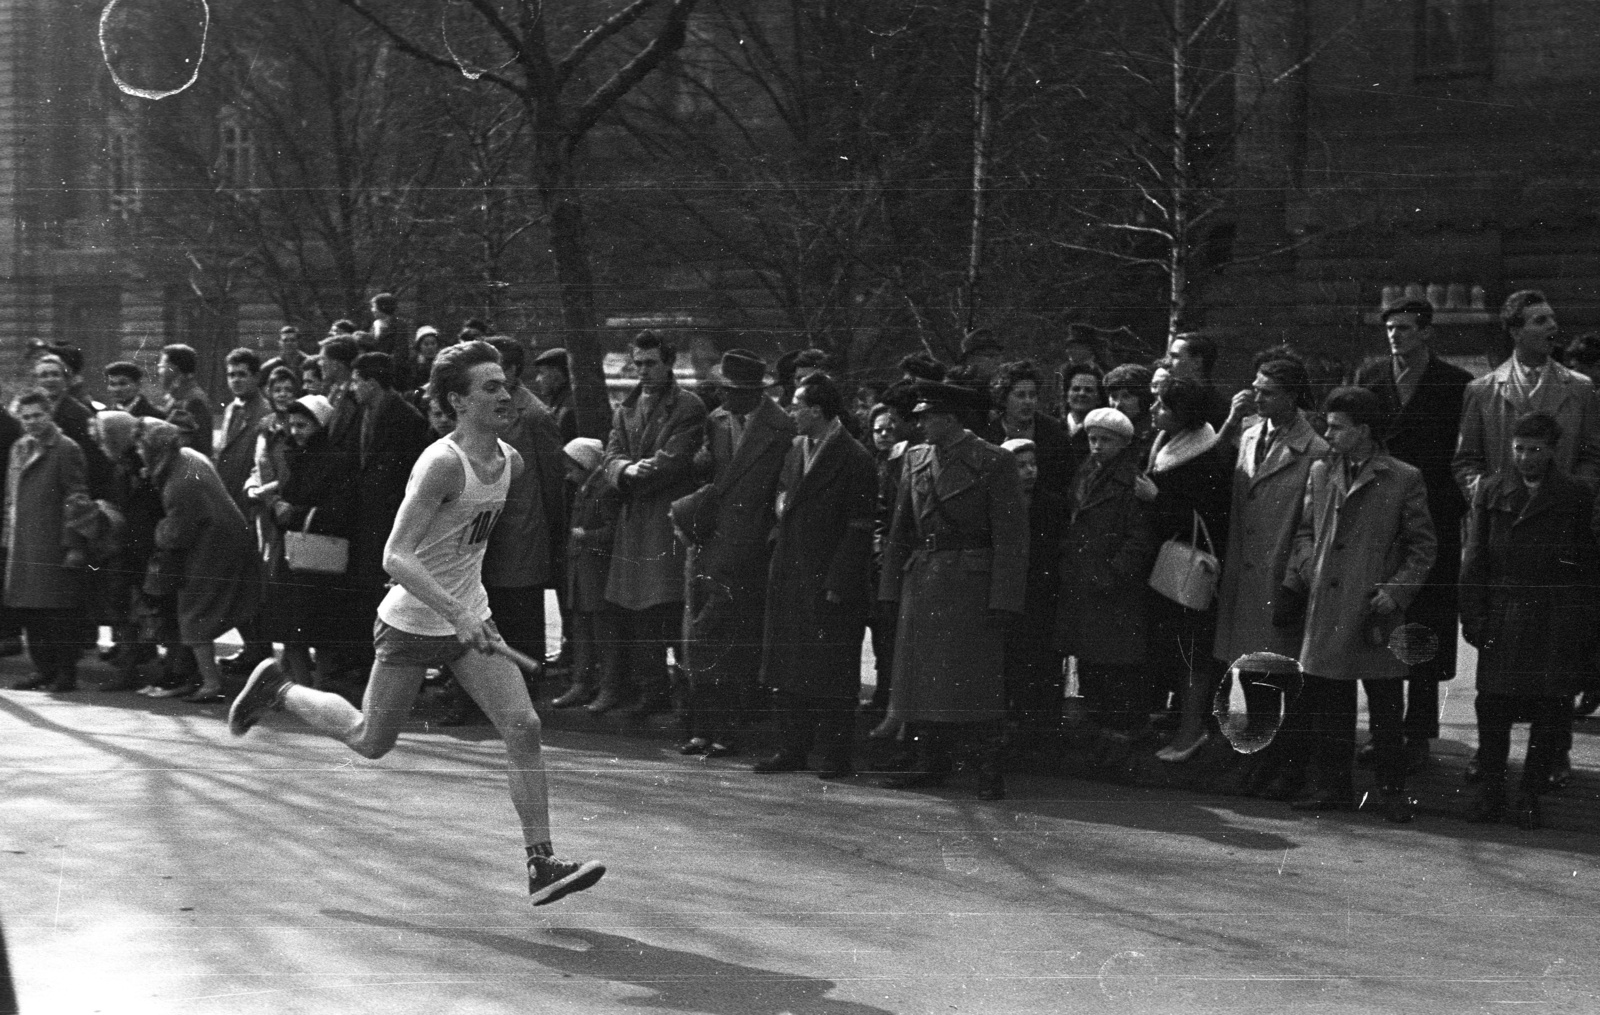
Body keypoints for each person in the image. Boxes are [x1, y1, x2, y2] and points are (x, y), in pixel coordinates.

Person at [230, 339, 606, 907]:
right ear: (458, 401)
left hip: (467, 619)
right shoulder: (440, 464)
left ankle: (541, 862)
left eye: (506, 384)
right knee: (370, 740)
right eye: (490, 387)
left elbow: (464, 549)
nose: (506, 395)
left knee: (523, 726)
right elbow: (396, 556)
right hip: (410, 623)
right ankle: (279, 689)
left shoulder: (511, 460)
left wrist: (473, 610)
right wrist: (456, 611)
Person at [1277, 386, 1436, 823]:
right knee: (1332, 702)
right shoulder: (1321, 471)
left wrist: (1396, 592)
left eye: (1337, 427)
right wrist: (1309, 568)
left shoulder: (1403, 477)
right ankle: (1333, 788)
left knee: (1385, 705)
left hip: (1374, 610)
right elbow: (1306, 531)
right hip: (1327, 605)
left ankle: (1391, 791)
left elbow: (1423, 547)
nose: (1328, 434)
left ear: (1364, 430)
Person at [878, 381, 1027, 800]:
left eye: (927, 416)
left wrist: (1004, 599)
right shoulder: (916, 458)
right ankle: (929, 761)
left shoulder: (993, 460)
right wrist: (889, 588)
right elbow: (900, 530)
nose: (920, 424)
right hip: (924, 578)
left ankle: (988, 768)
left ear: (950, 418)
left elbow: (1012, 537)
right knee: (924, 677)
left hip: (970, 583)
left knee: (974, 680)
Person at [1459, 412, 1599, 830]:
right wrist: (1474, 617)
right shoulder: (1491, 490)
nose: (1525, 458)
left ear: (1552, 450)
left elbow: (1586, 564)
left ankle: (1529, 796)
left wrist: (1582, 625)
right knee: (1493, 706)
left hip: (1554, 618)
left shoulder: (1575, 494)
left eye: (1535, 450)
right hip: (1503, 615)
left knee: (1549, 710)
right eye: (1518, 449)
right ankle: (1491, 792)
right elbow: (1475, 559)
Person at [1351, 297, 1473, 771]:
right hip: (1381, 513)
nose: (1395, 336)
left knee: (1425, 624)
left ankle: (1418, 734)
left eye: (1404, 328)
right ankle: (1385, 732)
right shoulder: (1371, 378)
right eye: (1390, 328)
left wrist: (1451, 504)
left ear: (1426, 332)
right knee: (1381, 621)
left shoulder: (1455, 383)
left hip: (1433, 515)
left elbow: (1464, 451)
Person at [1210, 358, 1329, 798]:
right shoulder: (1248, 435)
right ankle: (1258, 762)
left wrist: (1295, 581)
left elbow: (1312, 527)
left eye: (1268, 392)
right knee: (1249, 672)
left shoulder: (1315, 450)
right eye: (1255, 388)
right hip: (1244, 576)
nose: (1256, 397)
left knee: (1280, 678)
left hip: (1279, 578)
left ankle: (1284, 768)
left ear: (1292, 396)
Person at [753, 374, 877, 779]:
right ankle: (792, 748)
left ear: (817, 410)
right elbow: (781, 498)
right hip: (791, 573)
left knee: (831, 670)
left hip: (827, 582)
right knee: (789, 666)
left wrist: (839, 582)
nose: (791, 412)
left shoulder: (855, 458)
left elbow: (859, 528)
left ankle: (835, 754)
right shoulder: (796, 450)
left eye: (797, 405)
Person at [672, 349, 794, 756]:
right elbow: (706, 473)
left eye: (731, 391)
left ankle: (728, 731)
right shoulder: (717, 420)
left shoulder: (782, 427)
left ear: (753, 392)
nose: (723, 398)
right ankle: (702, 727)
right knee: (698, 636)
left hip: (749, 549)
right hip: (708, 542)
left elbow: (783, 489)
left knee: (733, 641)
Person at [594, 331, 707, 716]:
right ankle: (651, 689)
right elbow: (610, 455)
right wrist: (624, 470)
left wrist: (632, 471)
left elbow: (675, 458)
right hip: (634, 521)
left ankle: (681, 694)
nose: (643, 371)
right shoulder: (625, 407)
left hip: (666, 519)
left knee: (667, 606)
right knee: (636, 611)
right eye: (638, 363)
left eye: (651, 363)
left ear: (669, 362)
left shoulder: (688, 405)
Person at [1134, 378, 1232, 761]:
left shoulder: (1208, 458)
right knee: (1177, 651)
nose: (1153, 409)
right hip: (1169, 568)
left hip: (1189, 570)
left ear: (1183, 414)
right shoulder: (1166, 443)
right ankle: (1184, 726)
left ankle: (1191, 732)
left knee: (1193, 653)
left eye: (1162, 405)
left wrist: (1157, 498)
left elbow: (1210, 518)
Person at [1055, 407, 1159, 771]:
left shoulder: (1130, 480)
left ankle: (1118, 747)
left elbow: (1139, 539)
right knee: (1091, 664)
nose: (1097, 446)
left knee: (1116, 668)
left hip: (1112, 590)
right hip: (1084, 583)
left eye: (1106, 440)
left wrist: (1113, 574)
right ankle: (1098, 743)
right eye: (1093, 438)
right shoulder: (1086, 471)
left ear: (1123, 443)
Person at [139, 419, 263, 702]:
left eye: (141, 447)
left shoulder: (178, 483)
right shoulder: (189, 457)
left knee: (194, 615)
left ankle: (210, 684)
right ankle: (258, 662)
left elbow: (177, 533)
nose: (138, 452)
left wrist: (158, 531)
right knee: (241, 605)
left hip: (211, 551)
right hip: (231, 540)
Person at [268, 395, 359, 692]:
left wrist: (295, 513)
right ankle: (303, 688)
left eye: (303, 425)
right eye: (292, 425)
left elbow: (341, 511)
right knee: (291, 630)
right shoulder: (293, 455)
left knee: (319, 632)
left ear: (320, 425)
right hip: (292, 552)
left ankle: (317, 688)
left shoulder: (336, 460)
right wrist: (276, 506)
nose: (295, 432)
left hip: (319, 555)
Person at [4, 391, 88, 691]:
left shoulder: (65, 448)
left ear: (49, 414)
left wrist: (74, 545)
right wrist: (7, 538)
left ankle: (65, 672)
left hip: (52, 543)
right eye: (25, 417)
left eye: (37, 415)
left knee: (57, 612)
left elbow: (77, 499)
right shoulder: (19, 448)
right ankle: (43, 669)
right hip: (23, 544)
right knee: (30, 611)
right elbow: (10, 498)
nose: (32, 422)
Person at [999, 436, 1068, 764]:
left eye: (1033, 464)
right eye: (1021, 466)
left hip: (1042, 596)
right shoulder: (997, 503)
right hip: (1009, 595)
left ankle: (1041, 739)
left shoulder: (1052, 504)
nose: (1030, 471)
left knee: (1042, 667)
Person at [549, 438, 620, 710]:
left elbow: (614, 531)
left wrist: (587, 536)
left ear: (585, 465)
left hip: (596, 574)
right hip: (582, 573)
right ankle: (582, 683)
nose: (568, 475)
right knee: (582, 631)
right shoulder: (584, 489)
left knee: (603, 633)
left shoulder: (605, 491)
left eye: (572, 469)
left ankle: (608, 687)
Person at [216, 347, 274, 676]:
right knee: (237, 583)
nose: (236, 381)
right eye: (231, 375)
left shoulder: (264, 413)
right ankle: (251, 647)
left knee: (251, 584)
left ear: (255, 377)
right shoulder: (232, 410)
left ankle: (259, 652)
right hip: (230, 506)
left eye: (242, 374)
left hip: (250, 508)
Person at [992, 360, 1071, 500]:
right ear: (1003, 399)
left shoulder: (1053, 431)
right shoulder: (990, 433)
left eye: (1032, 395)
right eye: (1020, 395)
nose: (1028, 401)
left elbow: (1067, 481)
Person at [1166, 332, 1233, 431]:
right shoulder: (1171, 400)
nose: (1167, 363)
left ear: (1197, 362)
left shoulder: (1218, 409)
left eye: (1175, 356)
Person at [157, 344, 214, 459]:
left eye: (162, 366)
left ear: (174, 368)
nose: (159, 371)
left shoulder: (194, 400)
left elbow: (187, 447)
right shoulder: (176, 396)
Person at [1103, 362, 1156, 460]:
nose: (1118, 404)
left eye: (1126, 396)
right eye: (1114, 397)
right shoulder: (1105, 432)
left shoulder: (1153, 437)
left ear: (1144, 398)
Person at [532, 347, 579, 445]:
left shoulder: (567, 410)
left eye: (541, 373)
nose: (537, 379)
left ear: (556, 374)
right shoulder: (560, 401)